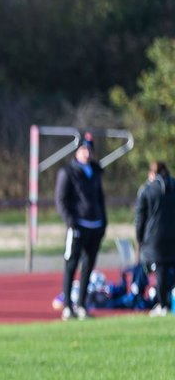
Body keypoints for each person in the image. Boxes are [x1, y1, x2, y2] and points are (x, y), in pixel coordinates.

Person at [55, 133, 107, 320]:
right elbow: (61, 200)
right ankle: (68, 306)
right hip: (78, 226)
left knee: (88, 266)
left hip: (95, 225)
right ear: (77, 151)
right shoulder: (67, 172)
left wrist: (103, 223)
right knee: (71, 264)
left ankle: (82, 305)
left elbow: (100, 199)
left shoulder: (95, 171)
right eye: (83, 149)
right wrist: (71, 222)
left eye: (89, 150)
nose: (87, 153)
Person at [136, 161, 175, 316]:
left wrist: (140, 237)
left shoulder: (147, 190)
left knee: (160, 272)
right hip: (172, 237)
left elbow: (140, 217)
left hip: (154, 238)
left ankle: (162, 304)